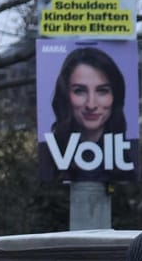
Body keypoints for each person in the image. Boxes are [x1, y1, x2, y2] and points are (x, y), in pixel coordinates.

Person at [43, 46, 131, 180]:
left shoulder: (131, 153)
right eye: (79, 91)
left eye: (102, 91)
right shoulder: (47, 155)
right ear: (65, 94)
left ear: (116, 96)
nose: (91, 104)